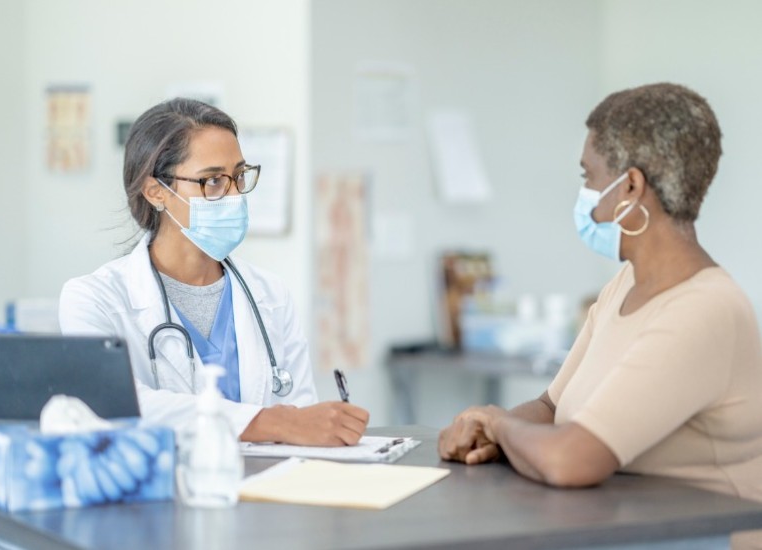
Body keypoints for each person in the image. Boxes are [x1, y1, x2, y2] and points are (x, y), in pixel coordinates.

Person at [438, 84, 762, 507]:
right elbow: (550, 408)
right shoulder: (625, 285)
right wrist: (477, 427)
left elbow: (571, 460)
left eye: (588, 177)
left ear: (630, 187)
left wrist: (499, 426)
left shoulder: (705, 311)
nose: (585, 195)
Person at [59, 98, 369, 446]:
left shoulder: (271, 295)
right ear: (155, 191)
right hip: (165, 493)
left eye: (238, 176)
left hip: (271, 491)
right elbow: (117, 406)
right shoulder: (94, 299)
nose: (235, 195)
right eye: (213, 181)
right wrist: (268, 423)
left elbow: (301, 417)